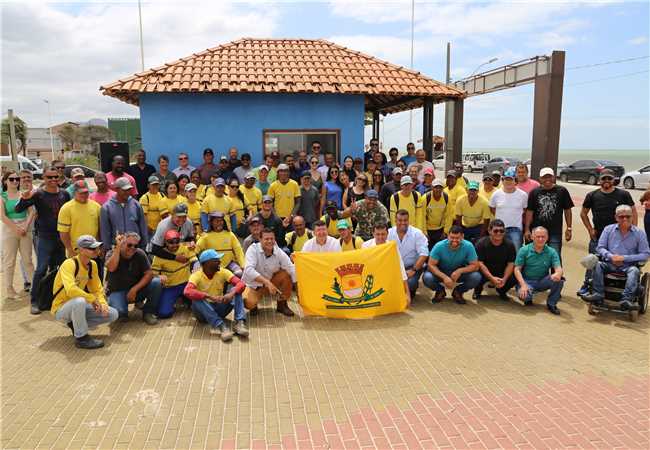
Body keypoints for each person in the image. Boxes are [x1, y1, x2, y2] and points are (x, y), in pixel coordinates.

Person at [15, 166, 70, 314]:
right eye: (49, 177)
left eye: (55, 177)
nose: (53, 180)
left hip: (61, 237)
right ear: (44, 178)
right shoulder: (38, 194)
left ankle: (56, 297)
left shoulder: (64, 194)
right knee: (41, 269)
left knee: (61, 268)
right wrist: (24, 198)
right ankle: (34, 301)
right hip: (45, 237)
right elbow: (18, 209)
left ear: (59, 178)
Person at [51, 235, 119, 349]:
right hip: (61, 309)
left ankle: (77, 325)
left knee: (113, 314)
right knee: (79, 301)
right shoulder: (69, 264)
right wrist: (92, 299)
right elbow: (71, 290)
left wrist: (103, 303)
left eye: (97, 248)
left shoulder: (93, 265)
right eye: (92, 248)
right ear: (81, 250)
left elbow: (97, 289)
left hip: (78, 305)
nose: (96, 251)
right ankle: (81, 338)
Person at [578, 169, 637, 296]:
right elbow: (583, 214)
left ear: (614, 179)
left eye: (609, 178)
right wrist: (590, 229)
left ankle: (619, 287)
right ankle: (587, 285)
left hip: (620, 237)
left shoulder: (624, 194)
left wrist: (633, 230)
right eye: (604, 178)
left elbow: (633, 212)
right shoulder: (592, 195)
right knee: (592, 262)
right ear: (600, 180)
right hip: (598, 237)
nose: (606, 181)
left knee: (618, 263)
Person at [582, 205, 650, 310]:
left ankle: (626, 299)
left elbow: (645, 254)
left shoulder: (639, 233)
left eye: (628, 216)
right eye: (621, 216)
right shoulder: (608, 230)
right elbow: (600, 247)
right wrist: (611, 256)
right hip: (609, 263)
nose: (625, 219)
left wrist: (624, 258)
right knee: (597, 265)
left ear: (632, 217)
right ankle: (598, 293)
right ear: (616, 217)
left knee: (634, 271)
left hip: (628, 266)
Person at [184, 249, 248, 341]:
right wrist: (209, 297)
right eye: (216, 260)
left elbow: (241, 284)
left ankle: (240, 323)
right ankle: (221, 327)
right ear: (206, 263)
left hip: (220, 308)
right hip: (203, 314)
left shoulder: (223, 271)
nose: (219, 262)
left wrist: (231, 294)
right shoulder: (196, 275)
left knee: (236, 290)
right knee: (196, 298)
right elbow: (187, 291)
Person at [105, 232, 161, 324]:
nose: (132, 248)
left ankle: (148, 312)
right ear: (122, 243)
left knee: (156, 282)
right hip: (117, 291)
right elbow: (111, 267)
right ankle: (122, 312)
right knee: (119, 313)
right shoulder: (112, 253)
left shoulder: (139, 253)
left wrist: (134, 289)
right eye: (129, 245)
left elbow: (149, 273)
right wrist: (118, 248)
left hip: (135, 291)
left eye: (135, 245)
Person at [243, 228, 297, 316]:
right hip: (253, 285)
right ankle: (254, 306)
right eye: (266, 239)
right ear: (260, 239)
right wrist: (267, 282)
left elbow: (291, 268)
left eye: (272, 239)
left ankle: (282, 305)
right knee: (249, 303)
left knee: (286, 274)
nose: (270, 241)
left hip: (270, 285)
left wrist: (299, 291)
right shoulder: (252, 249)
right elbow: (248, 270)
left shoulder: (278, 251)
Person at [423, 225, 481, 304]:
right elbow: (431, 265)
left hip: (458, 272)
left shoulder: (469, 246)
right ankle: (440, 291)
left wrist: (460, 271)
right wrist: (445, 277)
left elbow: (475, 266)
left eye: (457, 238)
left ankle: (458, 291)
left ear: (462, 237)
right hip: (441, 271)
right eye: (452, 237)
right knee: (427, 277)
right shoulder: (439, 246)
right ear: (448, 236)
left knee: (476, 277)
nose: (454, 240)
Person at [524, 167, 574, 260]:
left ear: (554, 177)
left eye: (549, 177)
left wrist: (569, 228)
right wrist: (527, 229)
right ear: (540, 179)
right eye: (544, 177)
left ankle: (556, 274)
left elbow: (567, 210)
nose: (547, 179)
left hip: (554, 231)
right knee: (534, 257)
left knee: (555, 257)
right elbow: (529, 211)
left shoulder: (562, 191)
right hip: (537, 230)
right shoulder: (534, 192)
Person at [513, 226, 564, 315]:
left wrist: (558, 274)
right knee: (525, 297)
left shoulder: (551, 251)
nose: (540, 239)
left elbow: (558, 268)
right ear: (532, 237)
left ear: (547, 238)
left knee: (560, 280)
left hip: (542, 281)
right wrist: (523, 285)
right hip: (527, 281)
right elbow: (517, 269)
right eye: (538, 236)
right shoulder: (524, 250)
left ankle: (551, 303)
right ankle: (528, 297)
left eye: (543, 237)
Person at [1, 170, 35, 299]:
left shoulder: (24, 194)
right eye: (11, 179)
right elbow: (2, 216)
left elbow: (31, 212)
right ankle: (10, 290)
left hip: (25, 229)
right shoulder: (2, 197)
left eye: (16, 179)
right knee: (10, 262)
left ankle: (35, 287)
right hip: (10, 230)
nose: (15, 181)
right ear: (5, 181)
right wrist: (16, 228)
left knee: (28, 260)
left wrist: (25, 226)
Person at [362, 222, 411, 304]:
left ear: (387, 234)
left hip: (387, 278)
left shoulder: (392, 247)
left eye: (383, 234)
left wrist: (407, 294)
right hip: (371, 278)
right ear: (373, 234)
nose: (380, 237)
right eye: (378, 234)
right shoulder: (365, 246)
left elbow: (401, 269)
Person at [151, 230, 197, 318]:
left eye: (177, 242)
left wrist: (196, 267)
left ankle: (186, 300)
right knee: (164, 313)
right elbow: (152, 274)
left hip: (187, 284)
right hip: (171, 287)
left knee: (201, 305)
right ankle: (178, 300)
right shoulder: (159, 256)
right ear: (165, 242)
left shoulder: (185, 248)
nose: (175, 245)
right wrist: (159, 276)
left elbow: (194, 260)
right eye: (171, 242)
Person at [100, 177, 148, 252]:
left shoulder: (136, 204)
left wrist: (144, 245)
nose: (127, 192)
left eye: (129, 189)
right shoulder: (106, 207)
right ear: (116, 189)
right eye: (124, 190)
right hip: (116, 248)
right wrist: (107, 248)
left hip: (134, 247)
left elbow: (142, 226)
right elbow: (105, 231)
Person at [389, 209, 429, 298]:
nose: (403, 223)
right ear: (395, 221)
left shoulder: (417, 233)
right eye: (400, 220)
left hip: (412, 267)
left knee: (410, 283)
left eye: (405, 220)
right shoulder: (389, 233)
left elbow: (424, 254)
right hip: (395, 267)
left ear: (409, 220)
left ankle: (411, 290)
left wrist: (413, 270)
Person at [473, 219, 517, 300]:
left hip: (501, 272)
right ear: (489, 231)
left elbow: (511, 263)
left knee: (515, 275)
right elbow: (480, 263)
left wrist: (504, 279)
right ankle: (477, 290)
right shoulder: (481, 243)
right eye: (496, 231)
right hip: (485, 272)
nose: (499, 233)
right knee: (475, 275)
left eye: (501, 231)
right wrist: (492, 278)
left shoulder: (510, 245)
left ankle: (502, 290)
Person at [58, 180, 101, 257]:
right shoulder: (66, 208)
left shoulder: (96, 206)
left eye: (86, 192)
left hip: (93, 250)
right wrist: (70, 250)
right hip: (76, 251)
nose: (84, 195)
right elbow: (63, 233)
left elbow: (99, 229)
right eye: (81, 193)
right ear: (74, 193)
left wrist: (99, 247)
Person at [489, 168, 528, 252]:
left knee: (516, 251)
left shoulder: (523, 195)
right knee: (499, 252)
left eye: (511, 179)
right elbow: (492, 208)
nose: (508, 182)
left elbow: (525, 210)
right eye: (506, 179)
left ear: (515, 181)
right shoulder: (496, 194)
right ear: (502, 181)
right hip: (499, 229)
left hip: (516, 228)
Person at [196, 211, 245, 277]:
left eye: (221, 221)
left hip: (229, 263)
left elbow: (238, 250)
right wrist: (197, 263)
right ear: (211, 223)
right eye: (217, 221)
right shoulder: (205, 236)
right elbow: (196, 249)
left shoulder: (230, 234)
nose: (219, 223)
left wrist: (243, 265)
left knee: (239, 273)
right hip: (213, 265)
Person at [423, 179, 449, 250]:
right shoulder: (425, 198)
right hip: (428, 230)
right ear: (432, 187)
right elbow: (422, 216)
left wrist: (445, 231)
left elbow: (449, 216)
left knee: (439, 250)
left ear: (443, 188)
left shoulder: (446, 198)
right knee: (428, 250)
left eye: (440, 187)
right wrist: (424, 232)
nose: (438, 189)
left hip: (440, 230)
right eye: (435, 187)